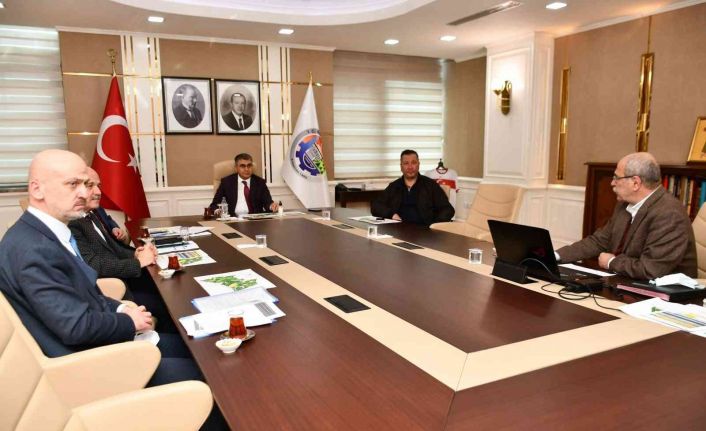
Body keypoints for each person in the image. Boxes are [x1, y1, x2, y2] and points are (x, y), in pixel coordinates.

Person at [0, 149, 201, 387]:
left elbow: (84, 294)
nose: (84, 193)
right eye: (72, 184)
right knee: (208, 372)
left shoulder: (43, 234)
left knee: (196, 347)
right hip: (88, 366)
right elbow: (74, 327)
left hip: (102, 341)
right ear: (36, 189)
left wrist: (121, 308)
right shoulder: (34, 248)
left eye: (85, 184)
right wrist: (129, 322)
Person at [68, 168, 178, 333]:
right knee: (170, 304)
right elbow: (93, 265)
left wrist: (135, 253)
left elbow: (112, 247)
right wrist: (138, 262)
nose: (98, 192)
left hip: (125, 278)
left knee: (172, 288)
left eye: (99, 186)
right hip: (116, 289)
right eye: (90, 186)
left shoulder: (91, 213)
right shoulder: (73, 223)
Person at [556, 152, 697, 280]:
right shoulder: (624, 205)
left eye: (616, 178)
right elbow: (599, 241)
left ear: (635, 183)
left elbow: (650, 269)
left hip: (666, 294)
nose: (612, 183)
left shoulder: (669, 214)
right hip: (629, 281)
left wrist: (611, 262)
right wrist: (555, 256)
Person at [371, 149, 454, 226]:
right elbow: (376, 206)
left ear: (418, 165)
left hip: (424, 232)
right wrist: (391, 214)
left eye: (413, 163)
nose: (410, 167)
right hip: (398, 230)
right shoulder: (394, 186)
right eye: (406, 163)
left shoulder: (430, 185)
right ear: (401, 166)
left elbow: (448, 209)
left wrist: (434, 225)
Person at [209, 153, 278, 216]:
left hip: (254, 220)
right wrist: (218, 211)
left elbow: (268, 202)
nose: (246, 169)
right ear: (236, 168)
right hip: (232, 220)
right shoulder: (227, 182)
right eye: (242, 166)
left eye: (249, 165)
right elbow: (214, 205)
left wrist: (271, 206)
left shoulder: (260, 182)